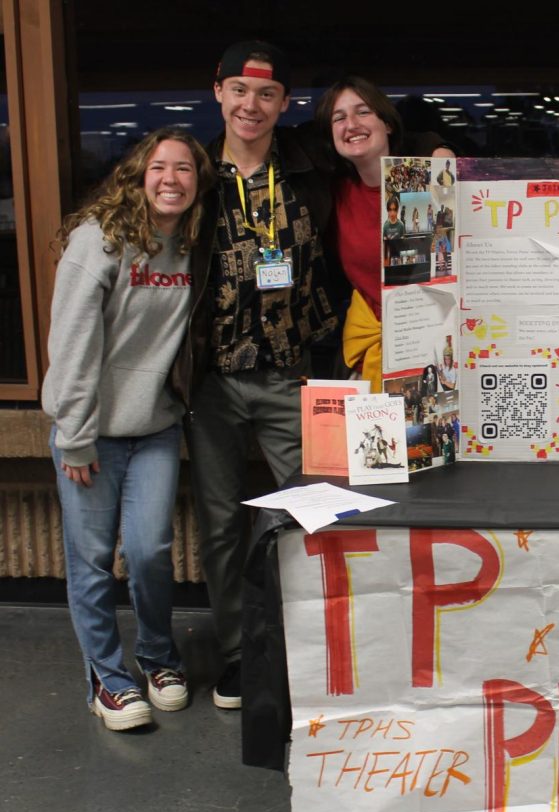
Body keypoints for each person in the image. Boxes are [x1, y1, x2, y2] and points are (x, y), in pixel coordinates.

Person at [176, 41, 338, 709]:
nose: (251, 104)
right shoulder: (194, 174)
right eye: (239, 90)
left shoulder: (307, 164)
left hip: (290, 373)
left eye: (266, 94)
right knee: (218, 522)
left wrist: (437, 147)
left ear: (284, 104)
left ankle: (312, 651)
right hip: (212, 381)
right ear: (218, 92)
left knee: (313, 512)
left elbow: (385, 129)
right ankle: (241, 655)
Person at [43, 128, 215, 730]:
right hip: (91, 433)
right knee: (92, 560)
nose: (172, 178)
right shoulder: (100, 241)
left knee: (149, 553)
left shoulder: (194, 245)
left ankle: (158, 657)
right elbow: (70, 345)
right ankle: (109, 681)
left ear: (199, 181)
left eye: (186, 169)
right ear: (137, 174)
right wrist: (75, 433)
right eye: (159, 167)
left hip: (155, 428)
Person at [315, 75, 407, 393]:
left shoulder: (429, 187)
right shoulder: (333, 195)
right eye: (338, 118)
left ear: (388, 124)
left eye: (363, 112)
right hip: (367, 355)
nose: (351, 124)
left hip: (434, 349)